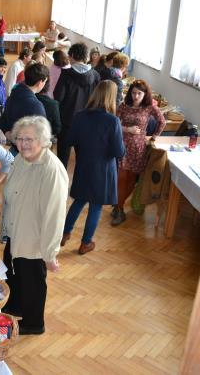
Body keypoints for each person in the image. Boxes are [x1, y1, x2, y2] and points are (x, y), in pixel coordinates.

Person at [1, 116, 68, 334]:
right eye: (19, 138)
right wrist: (5, 231)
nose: (23, 144)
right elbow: (12, 196)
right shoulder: (21, 159)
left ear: (43, 139)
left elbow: (54, 216)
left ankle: (33, 323)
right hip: (16, 231)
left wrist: (49, 253)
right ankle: (16, 306)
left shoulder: (52, 170)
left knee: (32, 283)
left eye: (30, 139)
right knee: (14, 275)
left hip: (34, 241)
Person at [61, 81, 125, 254]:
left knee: (79, 201)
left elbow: (70, 140)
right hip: (103, 169)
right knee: (96, 206)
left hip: (83, 165)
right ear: (112, 97)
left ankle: (64, 234)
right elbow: (119, 151)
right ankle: (86, 243)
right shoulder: (113, 121)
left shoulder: (80, 115)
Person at [112, 79, 166, 226]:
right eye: (134, 93)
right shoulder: (124, 106)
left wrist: (153, 138)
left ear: (145, 94)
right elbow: (114, 123)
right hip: (122, 146)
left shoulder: (149, 107)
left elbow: (162, 121)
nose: (136, 96)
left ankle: (118, 204)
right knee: (121, 178)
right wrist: (126, 129)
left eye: (139, 93)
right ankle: (119, 209)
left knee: (131, 180)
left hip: (138, 149)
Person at [53, 42, 101, 167]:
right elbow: (99, 99)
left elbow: (58, 96)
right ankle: (80, 186)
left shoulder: (66, 74)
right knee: (83, 159)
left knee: (63, 157)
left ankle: (61, 185)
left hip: (67, 121)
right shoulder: (95, 75)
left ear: (73, 55)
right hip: (88, 122)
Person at [1, 63, 48, 139]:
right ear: (40, 83)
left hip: (15, 145)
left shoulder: (14, 92)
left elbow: (3, 121)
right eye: (45, 81)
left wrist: (11, 137)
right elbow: (41, 136)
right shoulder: (36, 106)